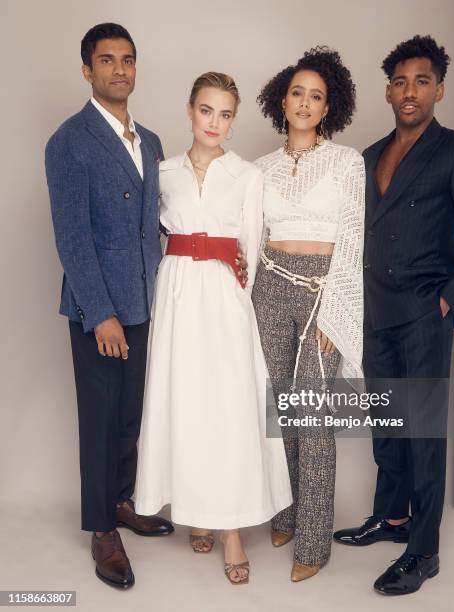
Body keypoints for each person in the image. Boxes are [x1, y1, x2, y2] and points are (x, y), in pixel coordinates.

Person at [333, 35, 454, 596]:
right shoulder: (368, 156)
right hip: (376, 313)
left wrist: (449, 299)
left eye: (421, 82)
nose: (410, 92)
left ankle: (423, 550)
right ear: (388, 90)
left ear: (439, 89)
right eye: (401, 82)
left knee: (423, 433)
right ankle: (392, 517)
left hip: (425, 314)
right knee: (386, 424)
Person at [133, 72, 292, 586]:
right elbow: (150, 236)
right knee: (187, 404)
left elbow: (250, 247)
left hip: (224, 300)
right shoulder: (162, 171)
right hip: (177, 296)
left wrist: (233, 308)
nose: (215, 123)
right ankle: (196, 510)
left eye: (226, 114)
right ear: (189, 110)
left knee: (227, 409)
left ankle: (230, 530)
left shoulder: (246, 175)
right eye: (207, 111)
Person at [45, 23, 175, 589]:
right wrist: (100, 313)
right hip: (100, 308)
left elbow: (154, 226)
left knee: (130, 415)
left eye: (127, 59)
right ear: (87, 70)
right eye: (106, 60)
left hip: (145, 298)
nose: (118, 69)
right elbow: (72, 236)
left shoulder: (150, 140)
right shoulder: (69, 140)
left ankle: (121, 500)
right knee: (99, 419)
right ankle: (101, 529)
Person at [253, 46, 365, 582]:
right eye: (297, 92)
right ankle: (284, 512)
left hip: (322, 290)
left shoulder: (347, 162)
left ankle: (314, 541)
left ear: (329, 108)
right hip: (269, 289)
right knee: (277, 411)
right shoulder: (260, 169)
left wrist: (336, 313)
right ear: (282, 99)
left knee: (313, 419)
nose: (304, 102)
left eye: (315, 96)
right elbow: (252, 241)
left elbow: (352, 241)